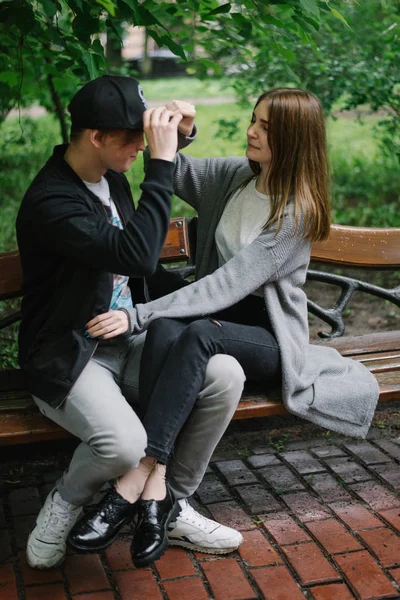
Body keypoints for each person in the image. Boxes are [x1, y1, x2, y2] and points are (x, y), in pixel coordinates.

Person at [77, 87, 380, 567]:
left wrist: (136, 313)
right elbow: (171, 169)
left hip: (269, 336)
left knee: (194, 331)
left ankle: (138, 474)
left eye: (265, 128)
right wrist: (181, 128)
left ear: (294, 141)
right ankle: (157, 496)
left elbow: (224, 287)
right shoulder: (240, 177)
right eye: (253, 119)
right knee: (167, 330)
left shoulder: (295, 211)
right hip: (218, 316)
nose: (251, 131)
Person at [17, 74, 244, 571]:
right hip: (72, 354)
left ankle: (166, 504)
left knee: (224, 375)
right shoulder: (53, 202)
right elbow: (138, 255)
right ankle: (66, 500)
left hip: (132, 338)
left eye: (145, 136)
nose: (142, 147)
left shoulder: (110, 176)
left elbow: (146, 277)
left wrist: (181, 130)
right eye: (132, 139)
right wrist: (161, 165)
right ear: (96, 137)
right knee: (123, 445)